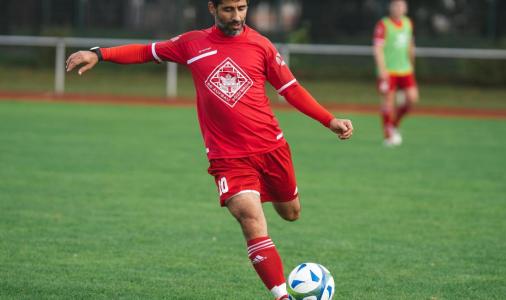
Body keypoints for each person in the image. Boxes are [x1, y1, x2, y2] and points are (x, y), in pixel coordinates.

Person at [66, 0, 353, 299]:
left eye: (242, 8)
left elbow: (290, 88)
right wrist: (99, 53)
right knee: (250, 218)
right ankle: (281, 295)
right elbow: (145, 51)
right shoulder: (193, 44)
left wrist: (328, 120)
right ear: (212, 8)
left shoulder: (261, 45)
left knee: (291, 213)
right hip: (227, 157)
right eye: (229, 9)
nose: (237, 16)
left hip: (271, 148)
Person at [373, 0, 419, 147]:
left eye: (401, 5)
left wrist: (412, 64)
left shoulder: (408, 23)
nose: (399, 8)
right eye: (396, 5)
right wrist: (382, 70)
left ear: (405, 8)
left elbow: (411, 45)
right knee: (388, 102)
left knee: (412, 99)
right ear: (391, 7)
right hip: (389, 70)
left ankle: (393, 124)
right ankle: (388, 135)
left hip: (405, 69)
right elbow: (378, 48)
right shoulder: (383, 24)